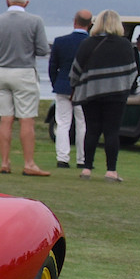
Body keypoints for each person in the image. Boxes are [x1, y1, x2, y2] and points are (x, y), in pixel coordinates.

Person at [0, 0, 51, 176]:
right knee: (26, 119)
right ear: (26, 3)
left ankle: (5, 162)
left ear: (8, 2)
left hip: (1, 71)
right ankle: (29, 163)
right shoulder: (35, 21)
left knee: (5, 119)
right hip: (24, 71)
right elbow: (42, 50)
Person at [71, 10, 139, 183]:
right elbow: (133, 72)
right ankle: (111, 171)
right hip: (116, 95)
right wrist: (124, 87)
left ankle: (86, 168)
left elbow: (76, 70)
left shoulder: (87, 43)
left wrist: (77, 85)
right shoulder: (125, 45)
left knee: (92, 130)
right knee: (112, 132)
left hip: (91, 93)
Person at [48, 10, 92, 169]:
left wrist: (56, 83)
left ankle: (62, 158)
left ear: (74, 21)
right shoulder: (92, 42)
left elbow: (53, 66)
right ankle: (83, 159)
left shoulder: (60, 41)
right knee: (83, 123)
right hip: (85, 88)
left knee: (63, 123)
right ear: (90, 24)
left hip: (63, 85)